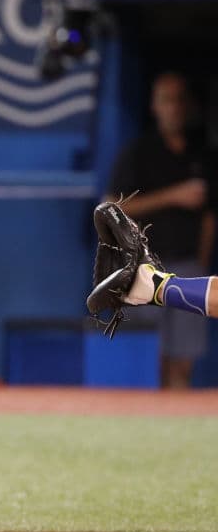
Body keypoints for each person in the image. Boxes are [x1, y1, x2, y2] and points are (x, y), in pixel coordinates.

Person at [106, 72, 214, 388]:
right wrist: (174, 195)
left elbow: (210, 216)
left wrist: (201, 264)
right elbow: (113, 207)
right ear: (155, 106)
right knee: (144, 364)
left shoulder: (203, 155)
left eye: (180, 99)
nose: (174, 108)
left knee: (182, 362)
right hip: (145, 270)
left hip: (189, 268)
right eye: (167, 100)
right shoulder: (138, 152)